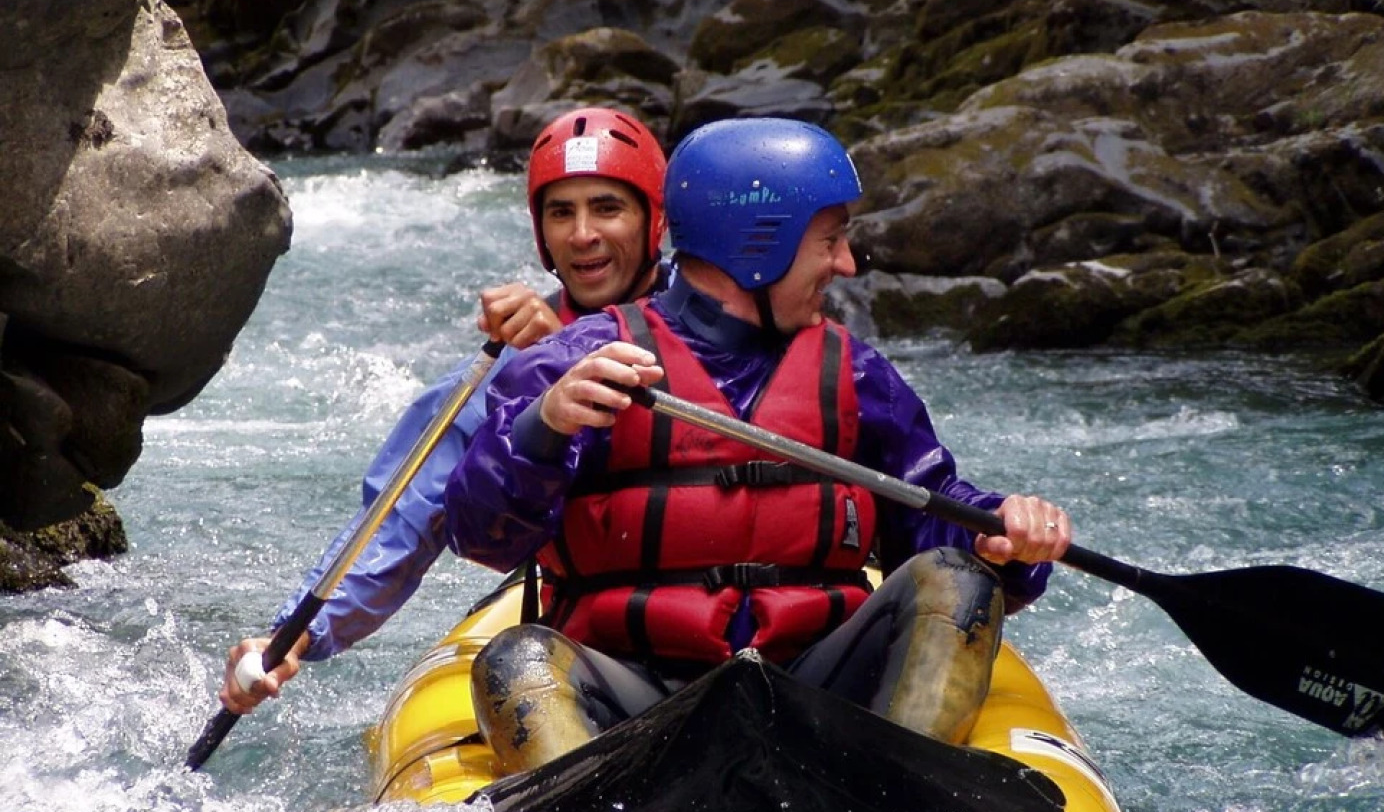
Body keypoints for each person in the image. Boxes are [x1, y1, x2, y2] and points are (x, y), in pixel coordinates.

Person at [443, 116, 1072, 775]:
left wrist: (1001, 535)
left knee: (957, 577)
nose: (847, 263)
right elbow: (480, 534)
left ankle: (901, 799)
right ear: (758, 248)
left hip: (816, 687)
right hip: (638, 707)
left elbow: (932, 515)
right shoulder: (576, 366)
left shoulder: (857, 376)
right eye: (829, 241)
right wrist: (545, 425)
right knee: (514, 659)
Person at [217, 107, 671, 715]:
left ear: (654, 221)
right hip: (609, 646)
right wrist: (295, 635)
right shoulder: (512, 364)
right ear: (541, 234)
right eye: (561, 212)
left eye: (607, 208)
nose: (582, 234)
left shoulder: (726, 318)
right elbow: (405, 512)